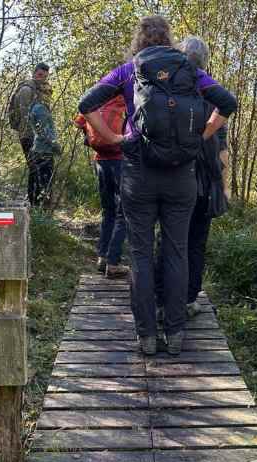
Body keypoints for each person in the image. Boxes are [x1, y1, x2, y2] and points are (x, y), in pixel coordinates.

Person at [78, 16, 237, 356]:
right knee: (177, 252)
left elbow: (86, 104)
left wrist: (115, 139)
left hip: (138, 174)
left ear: (138, 40)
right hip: (181, 176)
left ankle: (147, 336)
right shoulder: (190, 70)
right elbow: (228, 103)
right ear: (169, 39)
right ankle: (175, 333)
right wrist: (201, 136)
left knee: (140, 253)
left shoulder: (128, 71)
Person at [156, 36, 229, 319]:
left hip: (173, 177)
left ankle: (161, 300)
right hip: (204, 182)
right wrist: (223, 187)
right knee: (196, 242)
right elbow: (222, 148)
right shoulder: (214, 93)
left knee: (168, 240)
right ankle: (187, 300)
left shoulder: (168, 88)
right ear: (205, 62)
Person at [74, 95, 129, 279]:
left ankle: (102, 256)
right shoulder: (127, 100)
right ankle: (113, 262)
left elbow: (79, 122)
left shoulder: (96, 99)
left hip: (101, 161)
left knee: (108, 211)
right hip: (121, 160)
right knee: (124, 212)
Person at [7, 63, 51, 204]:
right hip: (29, 135)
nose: (42, 78)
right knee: (35, 168)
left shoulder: (41, 91)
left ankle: (39, 202)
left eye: (45, 76)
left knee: (44, 167)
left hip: (40, 136)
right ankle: (34, 203)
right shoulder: (26, 90)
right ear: (34, 73)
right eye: (40, 75)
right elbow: (26, 116)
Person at [28, 85, 61, 208]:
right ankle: (41, 210)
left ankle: (37, 208)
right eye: (46, 92)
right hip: (43, 151)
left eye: (50, 93)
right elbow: (44, 131)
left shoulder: (37, 107)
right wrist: (55, 145)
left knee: (38, 181)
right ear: (39, 94)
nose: (48, 95)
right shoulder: (40, 109)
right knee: (43, 183)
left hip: (39, 150)